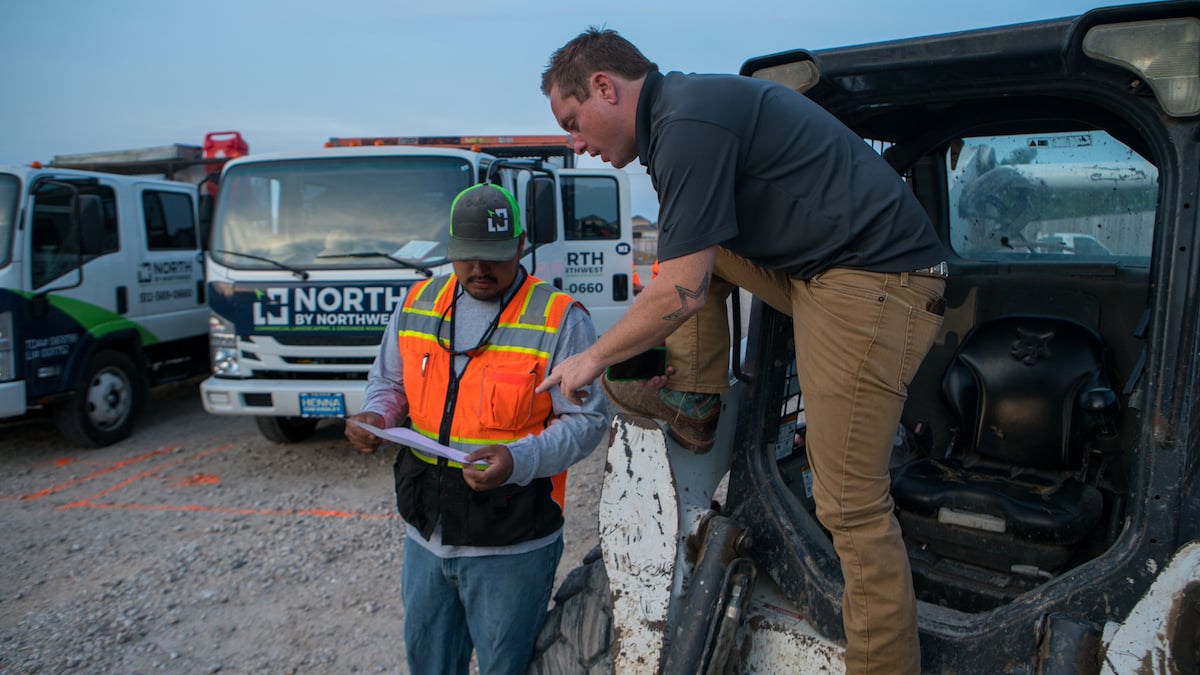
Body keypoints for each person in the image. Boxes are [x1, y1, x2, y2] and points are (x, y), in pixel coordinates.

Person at [537, 28, 948, 675]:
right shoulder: (681, 115)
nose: (577, 143)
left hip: (875, 284)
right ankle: (695, 399)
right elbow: (693, 268)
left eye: (573, 122)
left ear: (604, 87)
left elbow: (679, 292)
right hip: (831, 276)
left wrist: (591, 358)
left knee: (852, 505)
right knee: (705, 248)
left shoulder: (686, 123)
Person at [345, 183, 608, 675]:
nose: (479, 270)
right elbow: (389, 381)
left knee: (504, 667)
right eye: (466, 257)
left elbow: (588, 421)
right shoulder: (419, 301)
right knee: (429, 663)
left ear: (520, 245)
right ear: (449, 250)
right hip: (426, 535)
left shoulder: (560, 318)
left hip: (512, 542)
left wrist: (519, 460)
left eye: (493, 256)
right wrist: (377, 415)